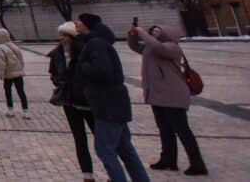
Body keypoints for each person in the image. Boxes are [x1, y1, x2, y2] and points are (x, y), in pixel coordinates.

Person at [76, 13, 149, 182]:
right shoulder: (98, 42)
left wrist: (83, 65)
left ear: (87, 25)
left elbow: (102, 72)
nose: (75, 23)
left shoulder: (95, 44)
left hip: (107, 105)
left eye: (78, 20)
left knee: (104, 150)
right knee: (125, 150)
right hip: (116, 103)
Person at [128, 24, 206, 175]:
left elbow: (158, 48)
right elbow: (135, 46)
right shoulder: (151, 48)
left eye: (158, 31)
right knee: (164, 129)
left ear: (168, 33)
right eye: (153, 31)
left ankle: (197, 163)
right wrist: (132, 35)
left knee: (182, 130)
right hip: (157, 94)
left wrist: (142, 32)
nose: (154, 33)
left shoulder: (172, 47)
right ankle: (168, 160)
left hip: (173, 94)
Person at [50, 21, 97, 182]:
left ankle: (111, 169)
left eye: (65, 36)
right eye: (61, 36)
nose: (62, 39)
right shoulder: (57, 53)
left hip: (87, 101)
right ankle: (87, 175)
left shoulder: (85, 51)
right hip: (69, 101)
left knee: (101, 138)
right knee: (79, 138)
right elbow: (53, 73)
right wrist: (60, 83)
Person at [0, 29, 30, 119]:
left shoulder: (1, 48)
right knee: (21, 92)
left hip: (8, 74)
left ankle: (10, 110)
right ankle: (26, 111)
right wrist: (21, 69)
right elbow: (21, 60)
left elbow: (2, 63)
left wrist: (1, 74)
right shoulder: (14, 46)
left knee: (8, 91)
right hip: (18, 73)